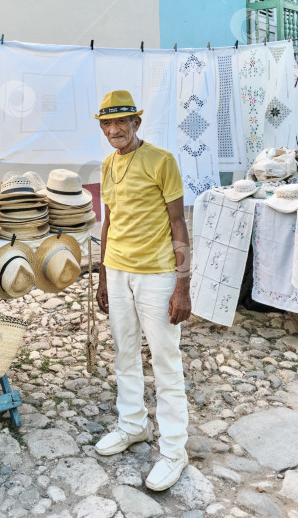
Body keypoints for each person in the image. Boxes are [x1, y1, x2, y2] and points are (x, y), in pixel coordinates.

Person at [94, 90, 192, 491]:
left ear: (136, 123)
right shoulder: (106, 165)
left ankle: (174, 451)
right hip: (117, 272)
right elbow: (109, 222)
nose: (115, 130)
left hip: (156, 274)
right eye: (107, 124)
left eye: (122, 122)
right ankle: (133, 425)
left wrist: (182, 286)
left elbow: (178, 225)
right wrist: (102, 275)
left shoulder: (161, 161)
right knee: (124, 354)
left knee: (166, 362)